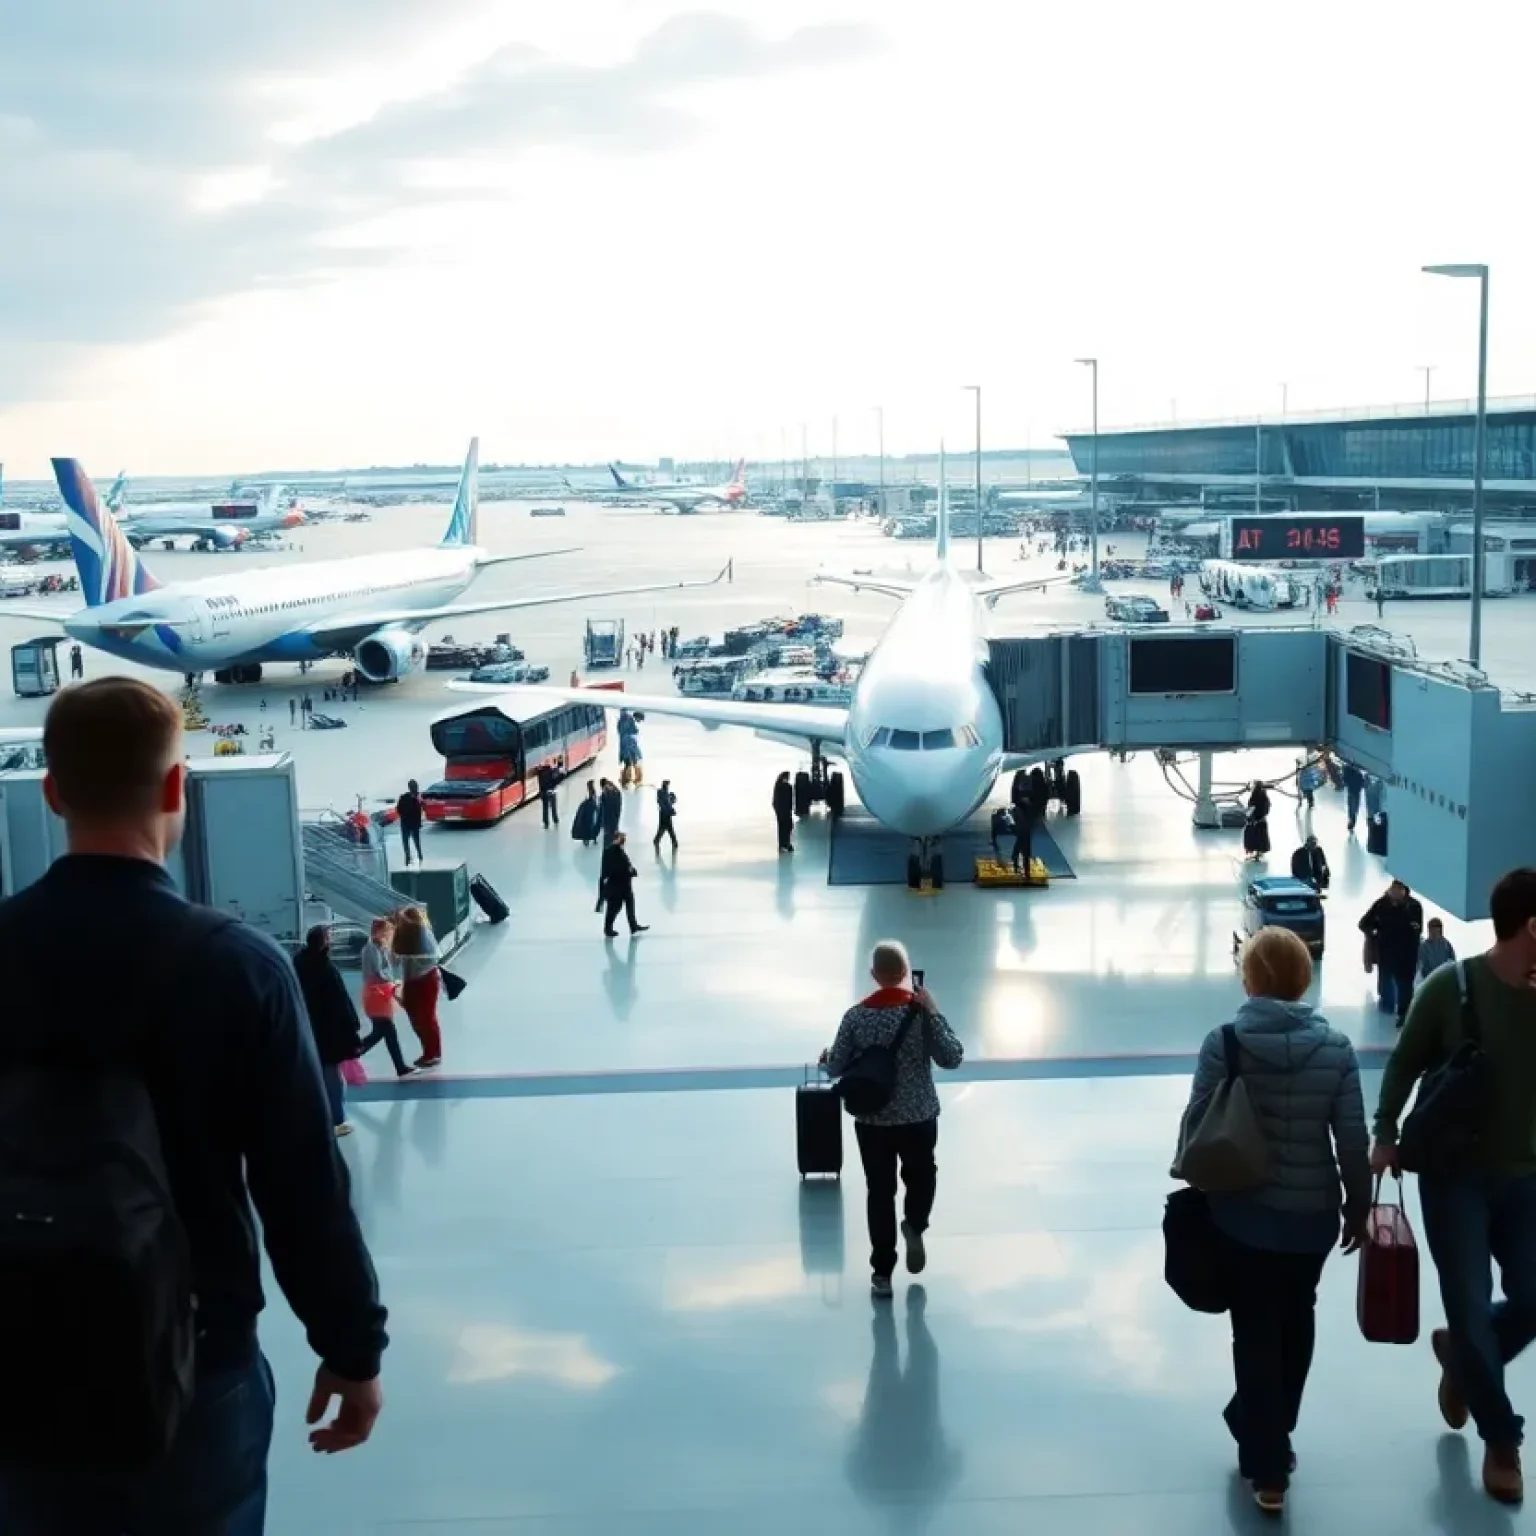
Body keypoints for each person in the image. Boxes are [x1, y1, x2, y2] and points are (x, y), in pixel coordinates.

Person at [0, 679, 385, 1529]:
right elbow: (303, 1195)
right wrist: (352, 1350)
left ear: (53, 791)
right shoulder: (236, 968)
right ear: (177, 789)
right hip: (191, 1362)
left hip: (18, 1359)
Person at [1179, 928, 1369, 1516]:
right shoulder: (1337, 1048)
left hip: (1242, 1216)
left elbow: (1194, 1126)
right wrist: (1357, 1208)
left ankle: (1266, 1463)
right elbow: (1353, 1142)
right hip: (1311, 1217)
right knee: (1296, 1321)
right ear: (1302, 978)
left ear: (1250, 977)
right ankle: (1268, 1430)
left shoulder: (1225, 1043)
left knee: (1254, 1332)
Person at [1370, 868, 1536, 1506]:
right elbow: (1406, 1060)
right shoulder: (1452, 987)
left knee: (1532, 1298)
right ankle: (1502, 1439)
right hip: (1455, 1179)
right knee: (1470, 1305)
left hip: (1526, 1175)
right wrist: (1385, 1132)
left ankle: (1465, 1360)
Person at [822, 942, 964, 1298]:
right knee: (922, 1175)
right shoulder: (917, 1014)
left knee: (879, 1192)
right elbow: (952, 1057)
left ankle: (882, 1274)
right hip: (918, 1117)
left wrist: (827, 1058)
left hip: (872, 1121)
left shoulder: (855, 1016)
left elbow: (836, 1067)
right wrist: (933, 1012)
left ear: (874, 976)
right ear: (904, 975)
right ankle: (914, 1224)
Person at [293, 925, 365, 1136]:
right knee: (333, 1078)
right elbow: (340, 1003)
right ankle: (337, 1120)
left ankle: (313, 1116)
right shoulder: (326, 969)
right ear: (324, 942)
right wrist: (353, 1028)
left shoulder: (298, 964)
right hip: (329, 1033)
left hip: (307, 1029)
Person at [1359, 879, 1424, 1024]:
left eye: (1397, 890)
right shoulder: (1381, 904)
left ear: (1404, 891)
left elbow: (1417, 930)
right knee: (1386, 979)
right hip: (1387, 952)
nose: (1393, 893)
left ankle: (1404, 1013)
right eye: (1392, 889)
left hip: (1407, 954)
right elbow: (1363, 923)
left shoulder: (1414, 906)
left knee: (1405, 983)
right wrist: (1373, 934)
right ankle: (1386, 1005)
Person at [358, 916, 413, 1077]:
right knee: (384, 1031)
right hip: (376, 994)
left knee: (384, 1032)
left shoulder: (380, 948)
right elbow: (379, 972)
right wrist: (392, 982)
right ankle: (352, 1052)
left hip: (381, 994)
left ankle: (400, 1067)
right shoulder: (371, 949)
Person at [391, 905, 442, 1068]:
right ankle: (430, 1051)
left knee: (426, 1017)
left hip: (425, 978)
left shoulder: (421, 933)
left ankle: (433, 1052)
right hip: (415, 979)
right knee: (417, 1017)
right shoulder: (407, 934)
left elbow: (430, 957)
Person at [597, 831, 648, 938]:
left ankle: (633, 926)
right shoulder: (610, 851)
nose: (623, 840)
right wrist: (629, 872)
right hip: (616, 887)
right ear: (615, 839)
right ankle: (608, 929)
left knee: (630, 905)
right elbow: (614, 869)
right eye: (621, 838)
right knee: (614, 908)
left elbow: (626, 864)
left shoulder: (618, 850)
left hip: (624, 885)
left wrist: (631, 870)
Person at [395, 778, 424, 866]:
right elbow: (419, 810)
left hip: (406, 823)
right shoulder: (415, 798)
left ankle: (410, 858)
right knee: (415, 842)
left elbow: (399, 810)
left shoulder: (405, 797)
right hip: (411, 823)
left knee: (407, 842)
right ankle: (417, 857)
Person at [1244, 780, 1272, 861]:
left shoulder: (1254, 796)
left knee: (1252, 836)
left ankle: (1253, 851)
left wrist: (1248, 817)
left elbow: (1251, 808)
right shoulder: (1265, 797)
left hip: (1254, 821)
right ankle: (1259, 853)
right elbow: (1266, 809)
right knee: (1261, 837)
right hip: (1262, 820)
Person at [617, 709, 643, 787]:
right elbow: (634, 731)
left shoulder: (621, 721)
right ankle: (636, 780)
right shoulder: (630, 720)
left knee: (627, 763)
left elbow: (620, 731)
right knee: (634, 762)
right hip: (630, 745)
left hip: (624, 746)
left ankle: (625, 780)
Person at [572, 780, 600, 846]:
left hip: (588, 811)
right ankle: (592, 838)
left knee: (588, 825)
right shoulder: (591, 793)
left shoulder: (589, 794)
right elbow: (594, 802)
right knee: (592, 825)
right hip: (591, 811)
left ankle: (588, 839)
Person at [773, 770, 795, 853]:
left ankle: (783, 845)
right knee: (787, 828)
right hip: (785, 811)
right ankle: (786, 844)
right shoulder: (787, 787)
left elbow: (775, 801)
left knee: (782, 828)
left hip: (781, 811)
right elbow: (790, 800)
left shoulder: (777, 786)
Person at [654, 779, 678, 852]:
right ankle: (674, 842)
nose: (667, 785)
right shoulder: (662, 793)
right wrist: (670, 811)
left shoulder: (665, 793)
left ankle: (657, 840)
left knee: (665, 828)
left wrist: (672, 798)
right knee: (668, 829)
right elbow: (665, 804)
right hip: (665, 814)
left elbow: (669, 802)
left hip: (665, 813)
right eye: (667, 784)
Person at [537, 757, 560, 829]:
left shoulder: (541, 773)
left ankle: (546, 823)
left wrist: (540, 792)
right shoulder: (552, 771)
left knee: (545, 808)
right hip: (551, 791)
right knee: (553, 808)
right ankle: (555, 820)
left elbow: (540, 783)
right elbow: (556, 780)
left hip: (544, 792)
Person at [1341, 761, 1365, 833]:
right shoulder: (1357, 773)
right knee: (1353, 807)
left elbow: (1345, 780)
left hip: (1352, 790)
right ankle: (1352, 820)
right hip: (1355, 791)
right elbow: (1362, 782)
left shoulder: (1348, 770)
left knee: (1352, 807)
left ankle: (1351, 820)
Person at [599, 777, 623, 845]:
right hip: (615, 818)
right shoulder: (616, 793)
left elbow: (601, 808)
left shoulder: (604, 796)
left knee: (609, 835)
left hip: (608, 821)